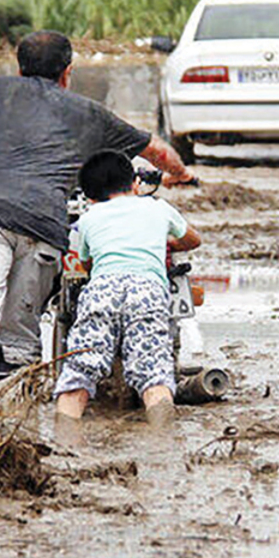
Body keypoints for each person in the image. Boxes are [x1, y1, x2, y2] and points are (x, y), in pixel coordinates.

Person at [0, 30, 197, 403]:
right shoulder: (89, 113)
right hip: (43, 227)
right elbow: (158, 151)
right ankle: (20, 412)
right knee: (21, 330)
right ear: (67, 73)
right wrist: (181, 175)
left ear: (19, 69)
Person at [53, 150, 201, 430]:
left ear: (90, 196)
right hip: (147, 290)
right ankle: (163, 448)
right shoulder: (157, 207)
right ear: (135, 183)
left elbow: (85, 262)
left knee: (79, 373)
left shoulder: (88, 218)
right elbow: (193, 239)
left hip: (102, 289)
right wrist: (164, 243)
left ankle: (64, 445)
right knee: (154, 375)